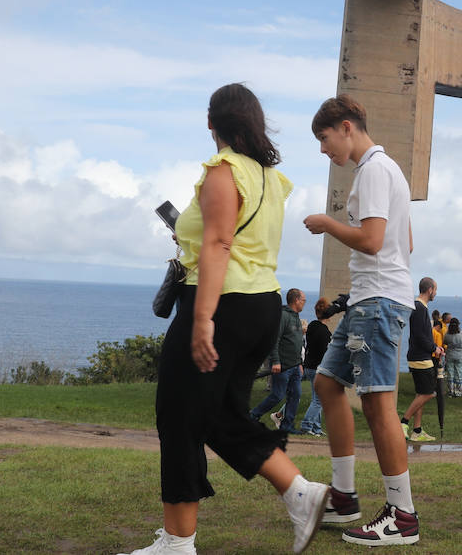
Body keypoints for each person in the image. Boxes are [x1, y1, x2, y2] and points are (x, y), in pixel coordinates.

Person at [117, 84, 327, 555]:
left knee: (177, 415)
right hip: (262, 308)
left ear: (211, 123)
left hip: (220, 304)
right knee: (213, 416)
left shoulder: (223, 171)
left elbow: (218, 245)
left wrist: (203, 319)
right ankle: (297, 495)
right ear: (255, 122)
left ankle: (179, 543)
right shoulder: (272, 179)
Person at [303, 94, 421, 546]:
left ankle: (402, 514)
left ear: (347, 127)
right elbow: (402, 240)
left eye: (324, 137)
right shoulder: (383, 171)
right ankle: (345, 496)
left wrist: (329, 223)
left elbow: (374, 241)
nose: (323, 149)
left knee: (376, 403)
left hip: (378, 302)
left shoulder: (373, 169)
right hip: (369, 299)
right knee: (327, 385)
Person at [250, 288, 305, 427]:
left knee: (296, 395)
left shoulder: (296, 317)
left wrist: (299, 363)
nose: (304, 303)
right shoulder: (284, 316)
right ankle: (253, 415)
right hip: (283, 366)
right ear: (296, 300)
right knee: (277, 395)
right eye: (303, 300)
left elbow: (296, 342)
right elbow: (275, 340)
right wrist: (275, 361)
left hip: (295, 366)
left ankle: (287, 426)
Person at [401, 277, 440, 441]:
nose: (436, 293)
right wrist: (434, 348)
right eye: (435, 290)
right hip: (420, 357)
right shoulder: (419, 308)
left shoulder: (421, 308)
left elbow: (424, 335)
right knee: (430, 393)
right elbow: (419, 336)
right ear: (430, 289)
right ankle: (403, 422)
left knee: (421, 394)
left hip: (420, 356)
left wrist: (436, 348)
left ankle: (417, 432)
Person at [294, 297, 335, 436]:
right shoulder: (324, 332)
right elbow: (325, 353)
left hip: (309, 366)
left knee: (315, 399)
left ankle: (316, 428)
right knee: (319, 400)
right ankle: (306, 425)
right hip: (318, 368)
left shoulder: (311, 326)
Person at [444, 318, 462, 397]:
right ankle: (459, 391)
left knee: (450, 373)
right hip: (460, 355)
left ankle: (451, 390)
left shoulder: (447, 334)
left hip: (450, 355)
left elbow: (445, 342)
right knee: (459, 372)